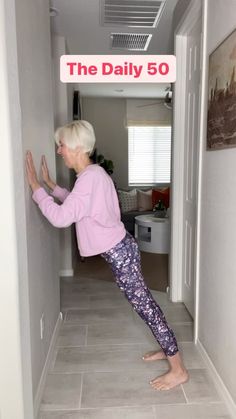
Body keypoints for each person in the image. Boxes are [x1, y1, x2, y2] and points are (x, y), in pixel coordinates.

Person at [25, 120, 188, 391]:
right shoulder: (94, 173)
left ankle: (179, 369)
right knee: (146, 304)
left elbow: (62, 217)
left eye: (62, 145)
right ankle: (168, 348)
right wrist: (53, 188)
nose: (59, 150)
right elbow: (82, 206)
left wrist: (36, 189)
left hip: (120, 253)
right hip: (123, 247)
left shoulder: (88, 179)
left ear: (76, 147)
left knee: (145, 306)